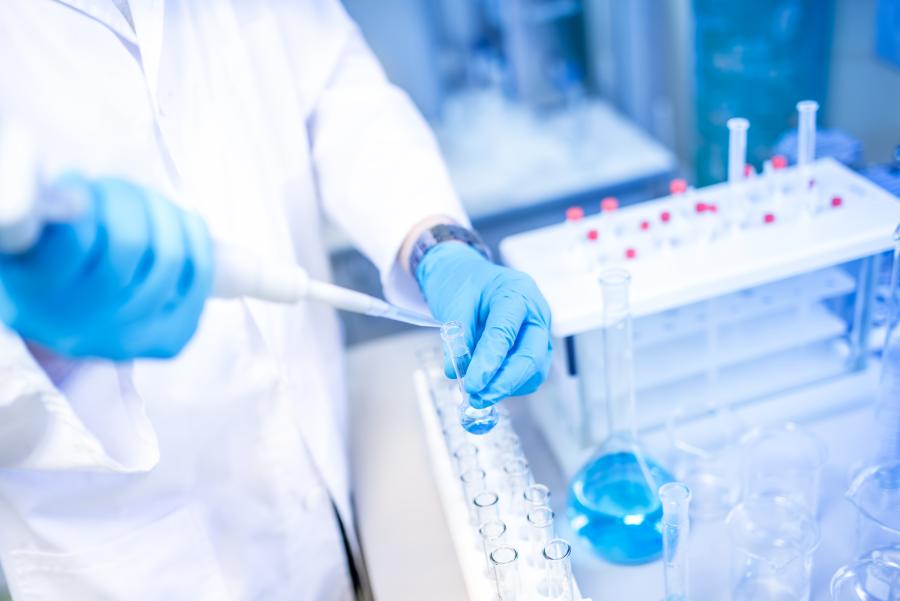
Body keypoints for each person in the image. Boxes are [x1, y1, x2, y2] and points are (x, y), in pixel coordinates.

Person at [0, 2, 552, 600]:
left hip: (322, 492)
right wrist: (37, 343)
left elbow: (332, 87)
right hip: (132, 564)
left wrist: (435, 243)